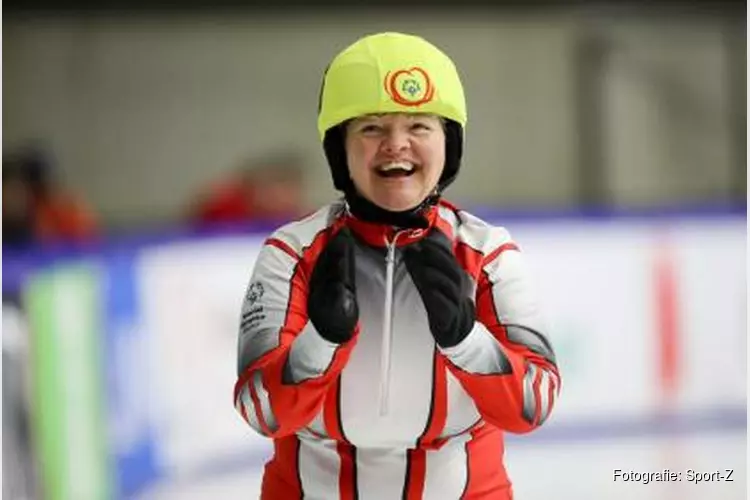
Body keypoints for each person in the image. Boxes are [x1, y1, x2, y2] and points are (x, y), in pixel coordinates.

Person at [233, 32, 561, 499]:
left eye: (419, 127)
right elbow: (259, 412)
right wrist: (321, 342)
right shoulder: (292, 254)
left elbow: (534, 405)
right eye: (372, 128)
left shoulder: (487, 255)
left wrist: (466, 341)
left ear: (448, 144)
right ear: (339, 149)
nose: (396, 145)